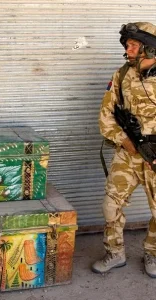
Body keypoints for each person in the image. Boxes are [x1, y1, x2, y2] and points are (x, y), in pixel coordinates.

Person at [92, 22, 156, 278]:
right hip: (128, 153)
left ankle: (152, 253)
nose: (127, 49)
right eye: (127, 44)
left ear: (149, 49)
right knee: (110, 205)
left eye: (132, 45)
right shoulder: (121, 75)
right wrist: (124, 141)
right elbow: (106, 115)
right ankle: (115, 253)